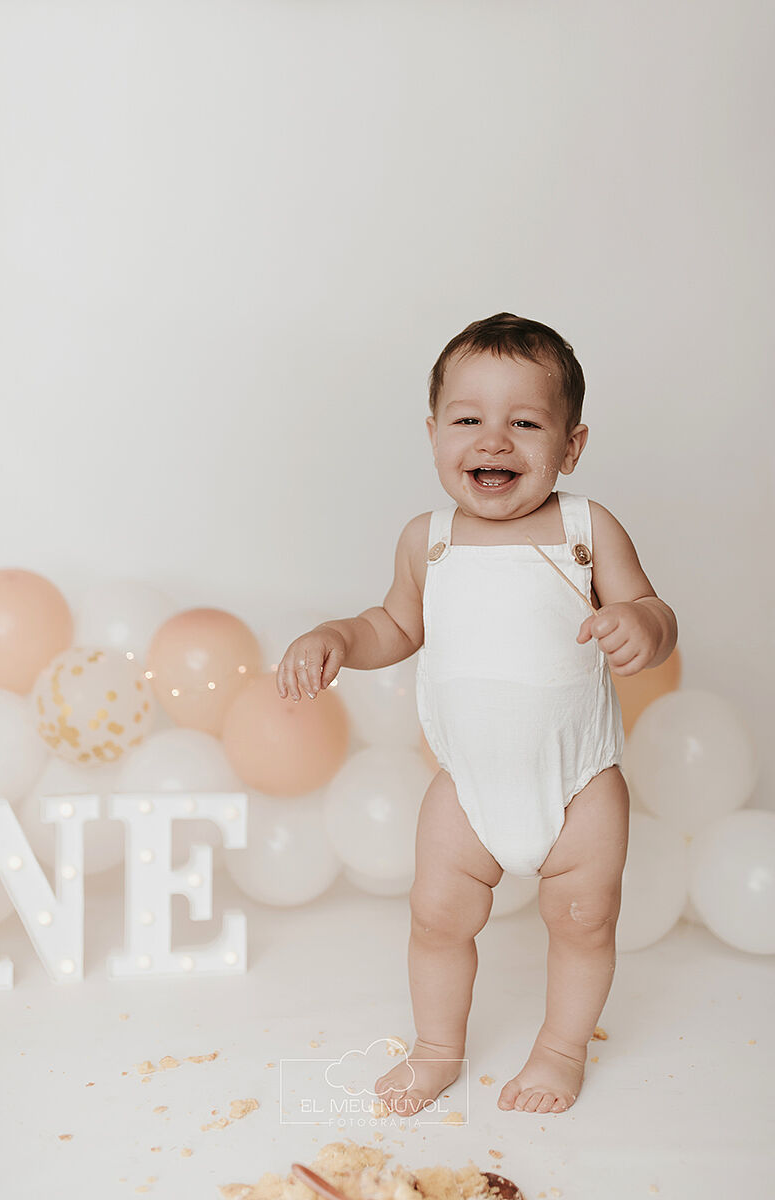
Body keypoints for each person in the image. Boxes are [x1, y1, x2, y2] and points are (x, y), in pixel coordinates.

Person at [276, 313, 678, 1117]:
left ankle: (560, 1051)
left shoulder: (584, 529)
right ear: (433, 435)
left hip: (579, 784)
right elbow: (393, 626)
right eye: (469, 420)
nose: (494, 440)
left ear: (571, 446)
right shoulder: (427, 542)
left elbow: (649, 606)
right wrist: (335, 637)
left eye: (525, 423)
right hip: (467, 787)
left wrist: (642, 625)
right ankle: (436, 1050)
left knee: (585, 919)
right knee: (437, 920)